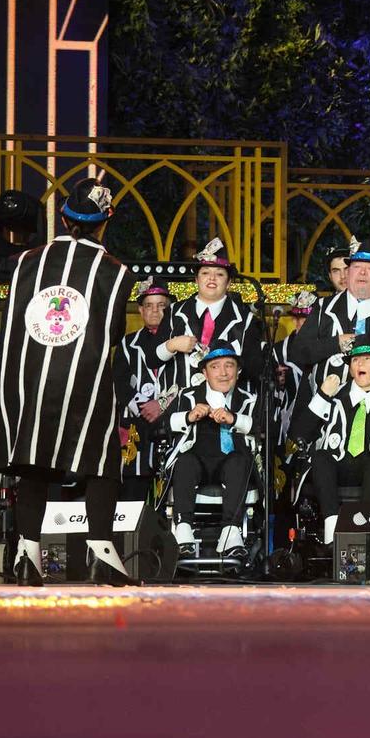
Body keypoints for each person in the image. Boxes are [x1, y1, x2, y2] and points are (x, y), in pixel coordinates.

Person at [0, 177, 139, 585]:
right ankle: (102, 552)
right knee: (101, 461)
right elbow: (114, 333)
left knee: (33, 461)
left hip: (29, 381)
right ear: (104, 222)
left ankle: (27, 556)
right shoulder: (116, 272)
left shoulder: (25, 261)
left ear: (65, 218)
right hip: (83, 381)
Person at [290, 338, 370, 545]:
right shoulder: (334, 395)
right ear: (349, 368)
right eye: (355, 360)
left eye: (367, 359)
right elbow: (299, 435)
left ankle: (361, 530)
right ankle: (332, 530)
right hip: (337, 468)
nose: (360, 364)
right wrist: (322, 396)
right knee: (321, 456)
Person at [166, 342, 260, 563]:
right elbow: (158, 427)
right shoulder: (188, 396)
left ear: (238, 371)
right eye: (215, 367)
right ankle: (183, 529)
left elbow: (268, 429)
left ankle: (230, 532)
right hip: (197, 463)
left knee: (239, 462)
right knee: (185, 461)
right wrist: (188, 416)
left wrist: (234, 419)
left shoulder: (249, 399)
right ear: (204, 373)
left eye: (229, 365)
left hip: (232, 466)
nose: (223, 373)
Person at [288, 241, 370, 374]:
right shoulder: (322, 307)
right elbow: (298, 352)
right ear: (350, 273)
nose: (362, 272)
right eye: (356, 267)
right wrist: (336, 343)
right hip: (327, 387)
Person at [160, 239, 259, 389]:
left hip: (227, 402)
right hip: (181, 401)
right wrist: (171, 345)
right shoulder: (173, 312)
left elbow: (253, 370)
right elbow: (151, 360)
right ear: (196, 279)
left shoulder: (246, 320)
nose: (212, 278)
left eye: (219, 274)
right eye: (205, 272)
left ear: (229, 283)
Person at [117, 279, 179, 491]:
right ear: (141, 310)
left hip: (172, 419)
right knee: (133, 489)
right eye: (149, 306)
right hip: (137, 423)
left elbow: (188, 381)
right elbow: (119, 382)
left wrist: (161, 404)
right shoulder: (128, 343)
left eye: (161, 305)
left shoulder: (179, 342)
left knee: (171, 484)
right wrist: (145, 407)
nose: (154, 311)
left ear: (170, 310)